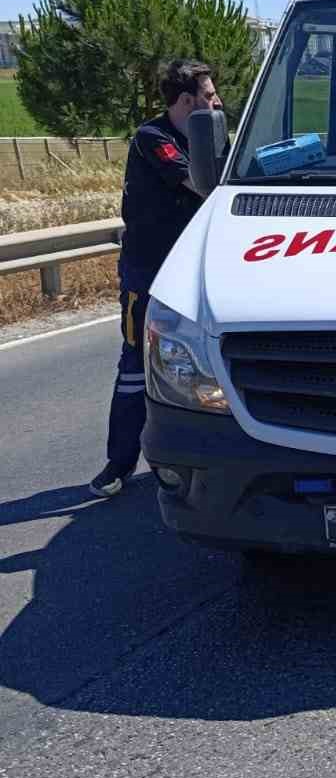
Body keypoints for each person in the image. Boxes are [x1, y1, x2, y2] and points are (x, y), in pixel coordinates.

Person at [89, 59, 223, 497]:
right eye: (208, 95)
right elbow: (198, 185)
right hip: (147, 276)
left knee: (201, 371)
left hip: (194, 274)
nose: (216, 100)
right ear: (186, 101)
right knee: (135, 369)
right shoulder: (155, 139)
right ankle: (118, 464)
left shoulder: (211, 140)